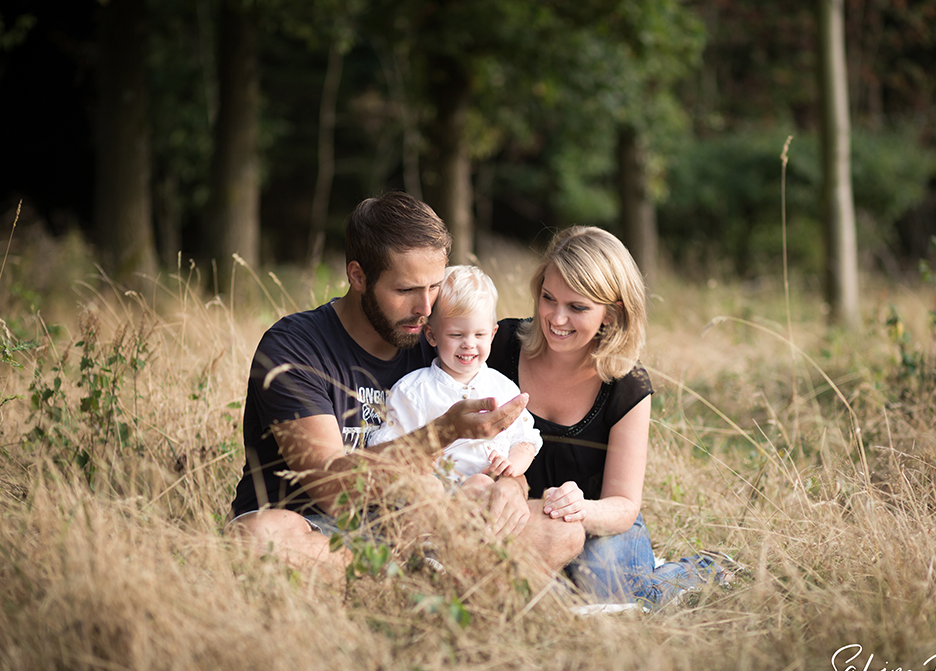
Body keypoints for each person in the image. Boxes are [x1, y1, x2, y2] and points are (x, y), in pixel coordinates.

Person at [227, 192, 583, 575]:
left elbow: (510, 436)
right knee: (259, 538)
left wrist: (510, 485)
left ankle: (406, 577)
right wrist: (443, 432)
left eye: (434, 287)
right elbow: (333, 493)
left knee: (562, 532)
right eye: (406, 290)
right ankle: (415, 578)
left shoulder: (438, 338)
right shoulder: (295, 348)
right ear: (358, 276)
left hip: (428, 525)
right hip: (319, 528)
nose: (426, 308)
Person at [487, 226, 736, 607]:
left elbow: (622, 504)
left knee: (609, 589)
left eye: (577, 307)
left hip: (594, 520)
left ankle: (704, 568)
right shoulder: (498, 345)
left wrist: (578, 509)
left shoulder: (627, 384)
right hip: (521, 516)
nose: (556, 317)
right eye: (548, 298)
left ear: (611, 312)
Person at [369, 265, 542, 497]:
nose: (469, 344)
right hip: (431, 499)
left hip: (482, 497)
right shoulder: (414, 391)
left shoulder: (503, 388)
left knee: (482, 484)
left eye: (479, 335)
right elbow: (389, 449)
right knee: (427, 488)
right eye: (456, 335)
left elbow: (525, 441)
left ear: (492, 334)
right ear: (431, 335)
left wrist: (511, 465)